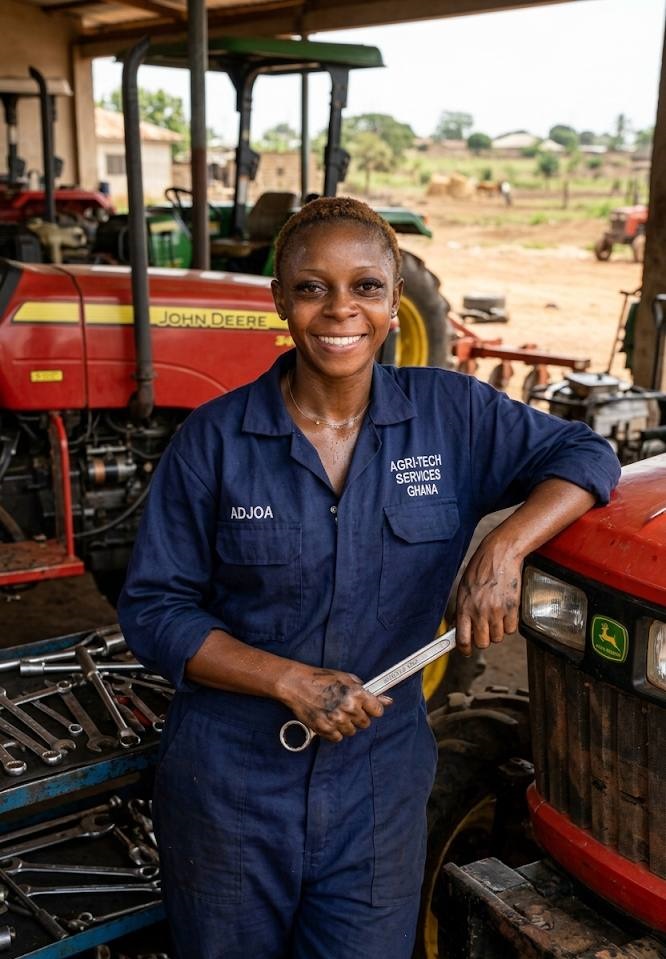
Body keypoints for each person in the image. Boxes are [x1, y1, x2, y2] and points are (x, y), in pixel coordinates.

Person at [117, 196, 620, 959]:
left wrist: (503, 548)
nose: (339, 309)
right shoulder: (214, 441)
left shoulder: (451, 415)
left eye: (366, 287)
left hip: (378, 789)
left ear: (392, 302)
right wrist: (287, 679)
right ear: (280, 300)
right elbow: (154, 611)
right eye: (313, 287)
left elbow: (587, 455)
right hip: (231, 786)